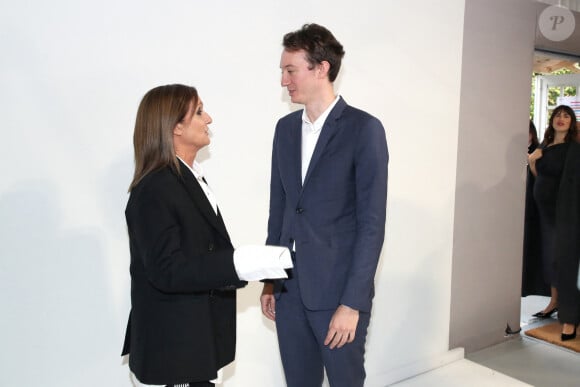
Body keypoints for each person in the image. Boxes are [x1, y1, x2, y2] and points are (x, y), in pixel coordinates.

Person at [121, 84, 291, 386]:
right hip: (172, 352)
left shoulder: (187, 178)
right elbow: (167, 271)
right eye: (198, 112)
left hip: (195, 345)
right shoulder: (155, 189)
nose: (208, 118)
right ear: (175, 127)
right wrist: (238, 263)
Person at [260, 24, 388, 387]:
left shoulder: (364, 129)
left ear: (321, 68)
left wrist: (352, 304)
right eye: (283, 71)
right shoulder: (284, 129)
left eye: (290, 70)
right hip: (289, 287)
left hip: (338, 292)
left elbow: (371, 224)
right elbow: (279, 209)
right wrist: (271, 280)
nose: (284, 81)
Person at [528, 105, 580, 341]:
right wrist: (531, 161)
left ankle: (570, 318)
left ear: (572, 122)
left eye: (566, 116)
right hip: (544, 213)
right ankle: (554, 303)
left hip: (565, 215)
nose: (561, 119)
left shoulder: (573, 149)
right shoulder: (545, 146)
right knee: (551, 260)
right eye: (557, 115)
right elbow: (541, 176)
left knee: (565, 264)